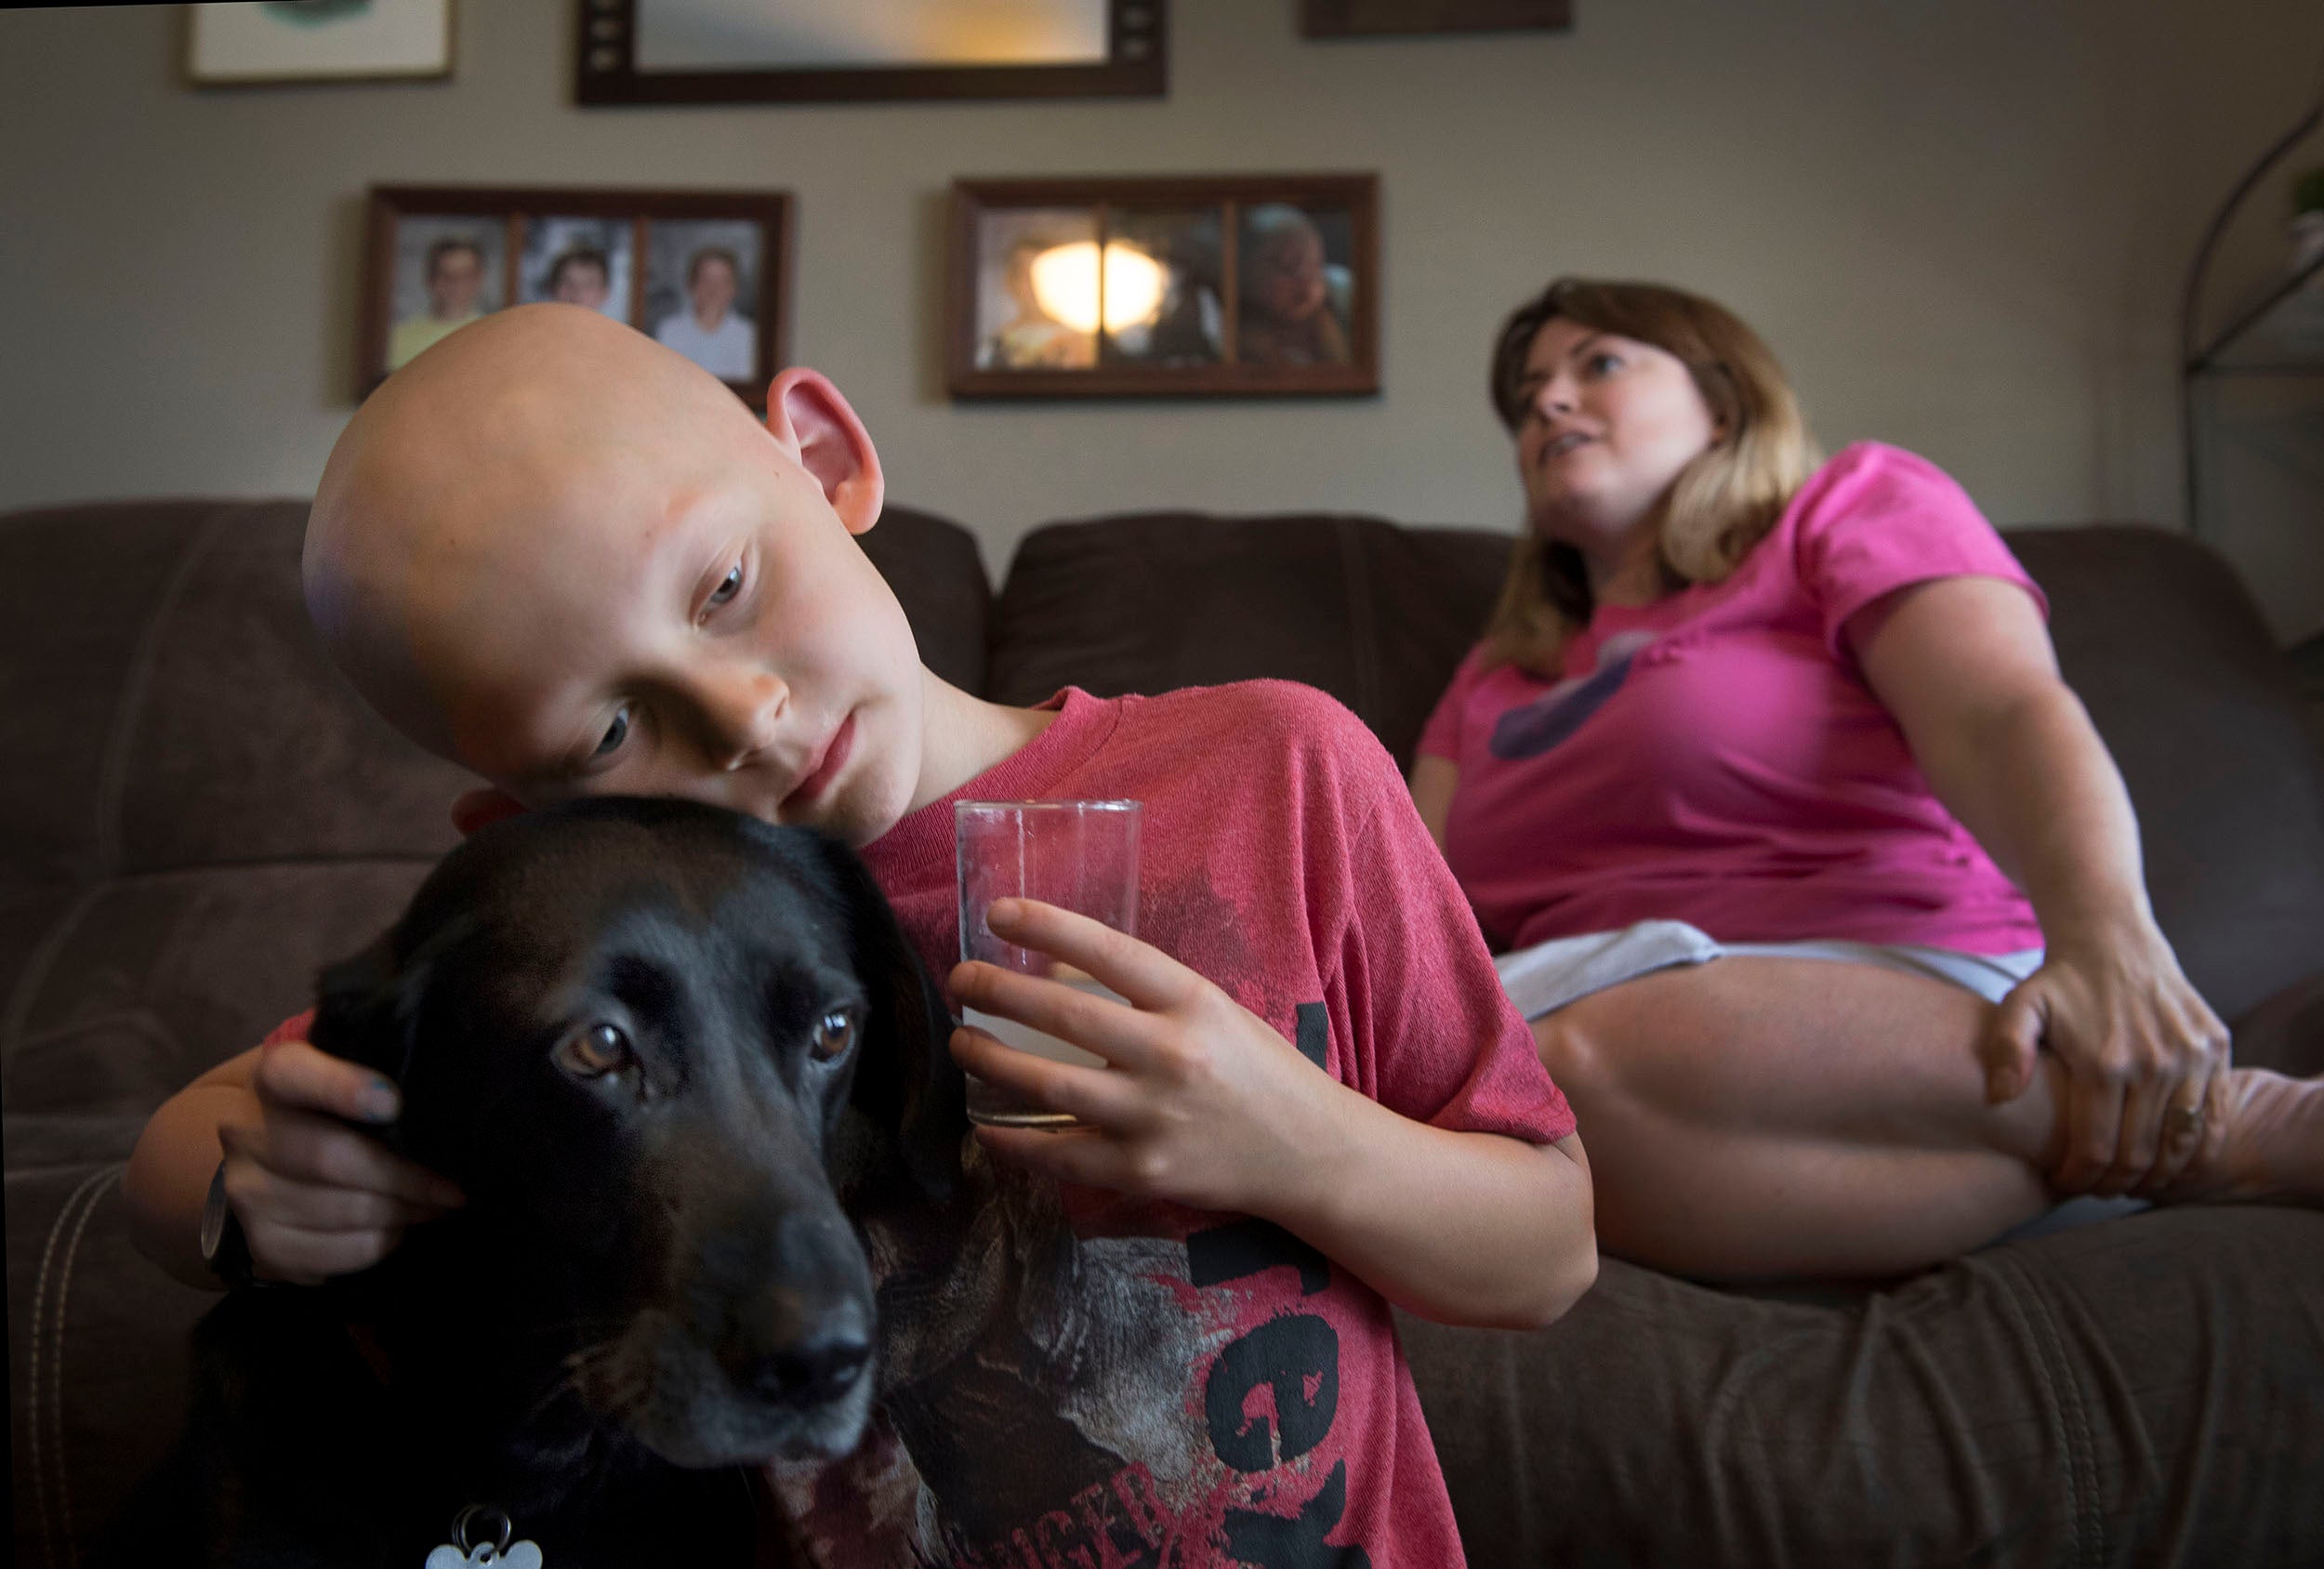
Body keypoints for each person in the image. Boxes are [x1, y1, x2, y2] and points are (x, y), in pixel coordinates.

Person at [121, 305, 1594, 1560]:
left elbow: (1544, 1251)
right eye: (614, 730)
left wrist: (1288, 1138)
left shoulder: (1274, 770)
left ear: (823, 459)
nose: (746, 719)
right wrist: (236, 1181)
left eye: (725, 589)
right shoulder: (613, 920)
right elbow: (211, 1141)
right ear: (525, 816)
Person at [1412, 275, 2324, 1283]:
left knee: (1571, 1061)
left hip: (1906, 985)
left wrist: (2107, 940)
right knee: (1509, 1074)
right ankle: (2168, 1132)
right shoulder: (1491, 676)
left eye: (1600, 364)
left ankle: (2218, 1117)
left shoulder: (1845, 506)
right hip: (1592, 1015)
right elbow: (1416, 913)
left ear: (1723, 401)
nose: (1546, 401)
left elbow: (2000, 714)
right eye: (1530, 390)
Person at [1235, 204, 1352, 368]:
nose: (1305, 279)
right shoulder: (1237, 330)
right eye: (1286, 266)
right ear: (1247, 272)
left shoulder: (1344, 296)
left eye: (1315, 265)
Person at [976, 233, 1096, 370]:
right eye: (1027, 276)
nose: (1036, 285)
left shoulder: (1086, 345)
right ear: (1010, 281)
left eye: (1045, 276)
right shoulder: (991, 347)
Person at [653, 244, 756, 381]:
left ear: (733, 288)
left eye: (722, 281)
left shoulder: (748, 335)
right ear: (691, 284)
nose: (713, 289)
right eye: (706, 280)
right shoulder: (669, 330)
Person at [385, 235, 488, 371]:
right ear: (430, 279)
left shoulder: (491, 335)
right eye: (446, 275)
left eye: (465, 275)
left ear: (478, 279)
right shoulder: (398, 337)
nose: (456, 284)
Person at [543, 244, 613, 312]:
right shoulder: (536, 323)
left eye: (588, 284)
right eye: (567, 282)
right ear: (553, 287)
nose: (577, 291)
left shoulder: (612, 323)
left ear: (603, 293)